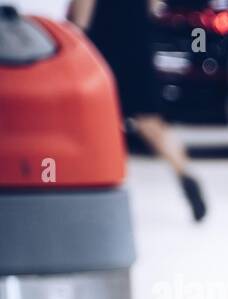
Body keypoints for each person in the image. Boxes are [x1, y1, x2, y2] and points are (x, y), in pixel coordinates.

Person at [70, 0, 207, 222]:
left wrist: (78, 32)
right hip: (137, 42)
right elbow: (154, 6)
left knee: (99, 123)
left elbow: (85, 5)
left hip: (104, 44)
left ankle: (101, 192)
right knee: (151, 122)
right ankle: (185, 173)